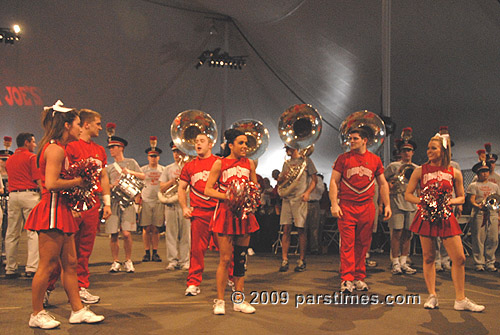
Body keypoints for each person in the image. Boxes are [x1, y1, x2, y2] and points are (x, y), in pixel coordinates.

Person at [25, 101, 104, 329]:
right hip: (51, 209)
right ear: (67, 125)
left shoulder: (58, 147)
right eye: (78, 124)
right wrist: (79, 181)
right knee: (47, 265)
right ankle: (36, 313)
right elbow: (51, 183)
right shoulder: (55, 149)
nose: (81, 128)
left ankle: (78, 310)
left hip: (61, 209)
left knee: (71, 263)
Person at [405, 133, 485, 312]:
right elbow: (408, 194)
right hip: (426, 216)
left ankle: (460, 299)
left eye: (433, 148)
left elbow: (462, 198)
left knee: (459, 258)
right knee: (429, 257)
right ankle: (432, 295)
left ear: (443, 151)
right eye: (428, 148)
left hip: (446, 216)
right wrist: (424, 201)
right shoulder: (420, 170)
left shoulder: (453, 172)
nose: (429, 151)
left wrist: (448, 202)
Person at [45, 109, 112, 305]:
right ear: (86, 124)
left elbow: (103, 177)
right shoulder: (70, 147)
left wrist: (107, 203)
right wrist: (72, 204)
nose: (100, 127)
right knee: (62, 252)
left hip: (92, 203)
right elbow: (63, 176)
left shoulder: (100, 150)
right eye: (98, 123)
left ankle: (81, 287)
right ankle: (47, 288)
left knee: (85, 249)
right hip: (73, 205)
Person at [329, 126, 391, 293]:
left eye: (355, 138)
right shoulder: (343, 159)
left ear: (365, 140)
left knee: (363, 244)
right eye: (350, 138)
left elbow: (383, 183)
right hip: (347, 207)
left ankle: (359, 277)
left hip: (367, 207)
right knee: (347, 244)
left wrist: (387, 205)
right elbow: (334, 181)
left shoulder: (375, 160)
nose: (351, 141)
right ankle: (347, 279)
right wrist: (334, 204)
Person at [205, 129, 259, 315]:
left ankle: (238, 300)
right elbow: (208, 189)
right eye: (241, 143)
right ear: (230, 145)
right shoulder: (220, 163)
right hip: (226, 215)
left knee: (241, 260)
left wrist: (251, 197)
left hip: (244, 216)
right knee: (225, 259)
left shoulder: (250, 164)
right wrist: (228, 196)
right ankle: (220, 301)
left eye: (246, 143)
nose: (245, 146)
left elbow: (254, 187)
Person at [178, 133, 221, 296]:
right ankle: (193, 282)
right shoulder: (189, 166)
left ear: (210, 145)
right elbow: (181, 188)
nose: (198, 144)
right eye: (196, 141)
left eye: (202, 141)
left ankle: (230, 278)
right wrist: (184, 207)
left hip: (218, 212)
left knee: (225, 250)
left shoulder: (219, 162)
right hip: (199, 214)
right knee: (196, 250)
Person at [4, 133, 42, 278]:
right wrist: (44, 194)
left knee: (12, 233)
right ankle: (32, 267)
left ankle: (10, 267)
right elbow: (37, 178)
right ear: (26, 143)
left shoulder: (10, 159)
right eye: (33, 141)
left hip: (13, 195)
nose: (35, 144)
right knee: (33, 232)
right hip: (29, 195)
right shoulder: (32, 158)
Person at [106, 135, 145, 273]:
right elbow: (104, 185)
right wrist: (112, 185)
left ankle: (128, 260)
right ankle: (115, 261)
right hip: (114, 202)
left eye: (113, 147)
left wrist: (130, 172)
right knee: (114, 233)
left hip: (127, 202)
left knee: (127, 233)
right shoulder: (109, 168)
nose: (111, 150)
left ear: (121, 148)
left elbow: (143, 176)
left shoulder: (131, 162)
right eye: (110, 147)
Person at [277, 146, 317, 272]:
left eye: (288, 148)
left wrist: (307, 193)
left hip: (299, 199)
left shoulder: (306, 161)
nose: (286, 150)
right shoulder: (286, 163)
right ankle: (284, 260)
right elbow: (283, 180)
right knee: (286, 228)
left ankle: (302, 260)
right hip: (287, 199)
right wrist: (280, 180)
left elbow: (314, 180)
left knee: (301, 229)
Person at [384, 134, 418, 275]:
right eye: (404, 150)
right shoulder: (393, 166)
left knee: (408, 234)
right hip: (397, 201)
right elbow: (382, 181)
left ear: (413, 152)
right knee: (397, 232)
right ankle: (395, 262)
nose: (406, 153)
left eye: (409, 150)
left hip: (411, 203)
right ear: (400, 152)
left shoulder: (417, 168)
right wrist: (389, 186)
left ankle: (404, 262)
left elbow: (420, 185)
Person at [159, 142, 191, 271]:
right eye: (175, 152)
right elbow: (161, 187)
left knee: (185, 235)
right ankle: (172, 260)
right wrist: (172, 181)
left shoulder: (189, 167)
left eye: (179, 151)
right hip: (171, 204)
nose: (177, 154)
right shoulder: (168, 169)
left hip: (186, 203)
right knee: (171, 234)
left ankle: (185, 260)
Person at [467, 161, 499, 272]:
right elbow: (472, 199)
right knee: (479, 238)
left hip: (492, 214)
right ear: (477, 173)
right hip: (479, 214)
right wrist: (478, 205)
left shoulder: (494, 186)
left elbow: (497, 200)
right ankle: (479, 262)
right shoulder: (474, 185)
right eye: (482, 172)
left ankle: (490, 262)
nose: (484, 174)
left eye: (486, 171)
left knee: (493, 238)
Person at [140, 141, 165, 263]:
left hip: (158, 201)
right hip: (145, 200)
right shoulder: (143, 170)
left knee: (156, 228)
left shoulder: (163, 170)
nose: (153, 158)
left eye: (155, 156)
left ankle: (155, 252)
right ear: (148, 157)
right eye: (151, 156)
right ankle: (146, 252)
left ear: (158, 157)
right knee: (146, 228)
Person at [306, 173, 325, 255]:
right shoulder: (303, 178)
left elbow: (321, 190)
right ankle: (304, 247)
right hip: (304, 203)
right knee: (303, 226)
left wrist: (315, 183)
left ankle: (314, 248)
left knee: (314, 226)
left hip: (314, 203)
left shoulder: (318, 179)